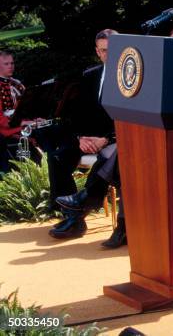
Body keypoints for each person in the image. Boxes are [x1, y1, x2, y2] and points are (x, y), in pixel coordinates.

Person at [43, 29, 117, 239]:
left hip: (115, 139)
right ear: (97, 51)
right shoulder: (90, 75)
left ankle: (75, 216)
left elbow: (130, 118)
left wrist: (106, 139)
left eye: (112, 50)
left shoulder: (131, 75)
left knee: (105, 157)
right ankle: (70, 214)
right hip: (89, 137)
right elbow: (77, 114)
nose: (107, 56)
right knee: (57, 156)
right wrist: (81, 138)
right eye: (103, 51)